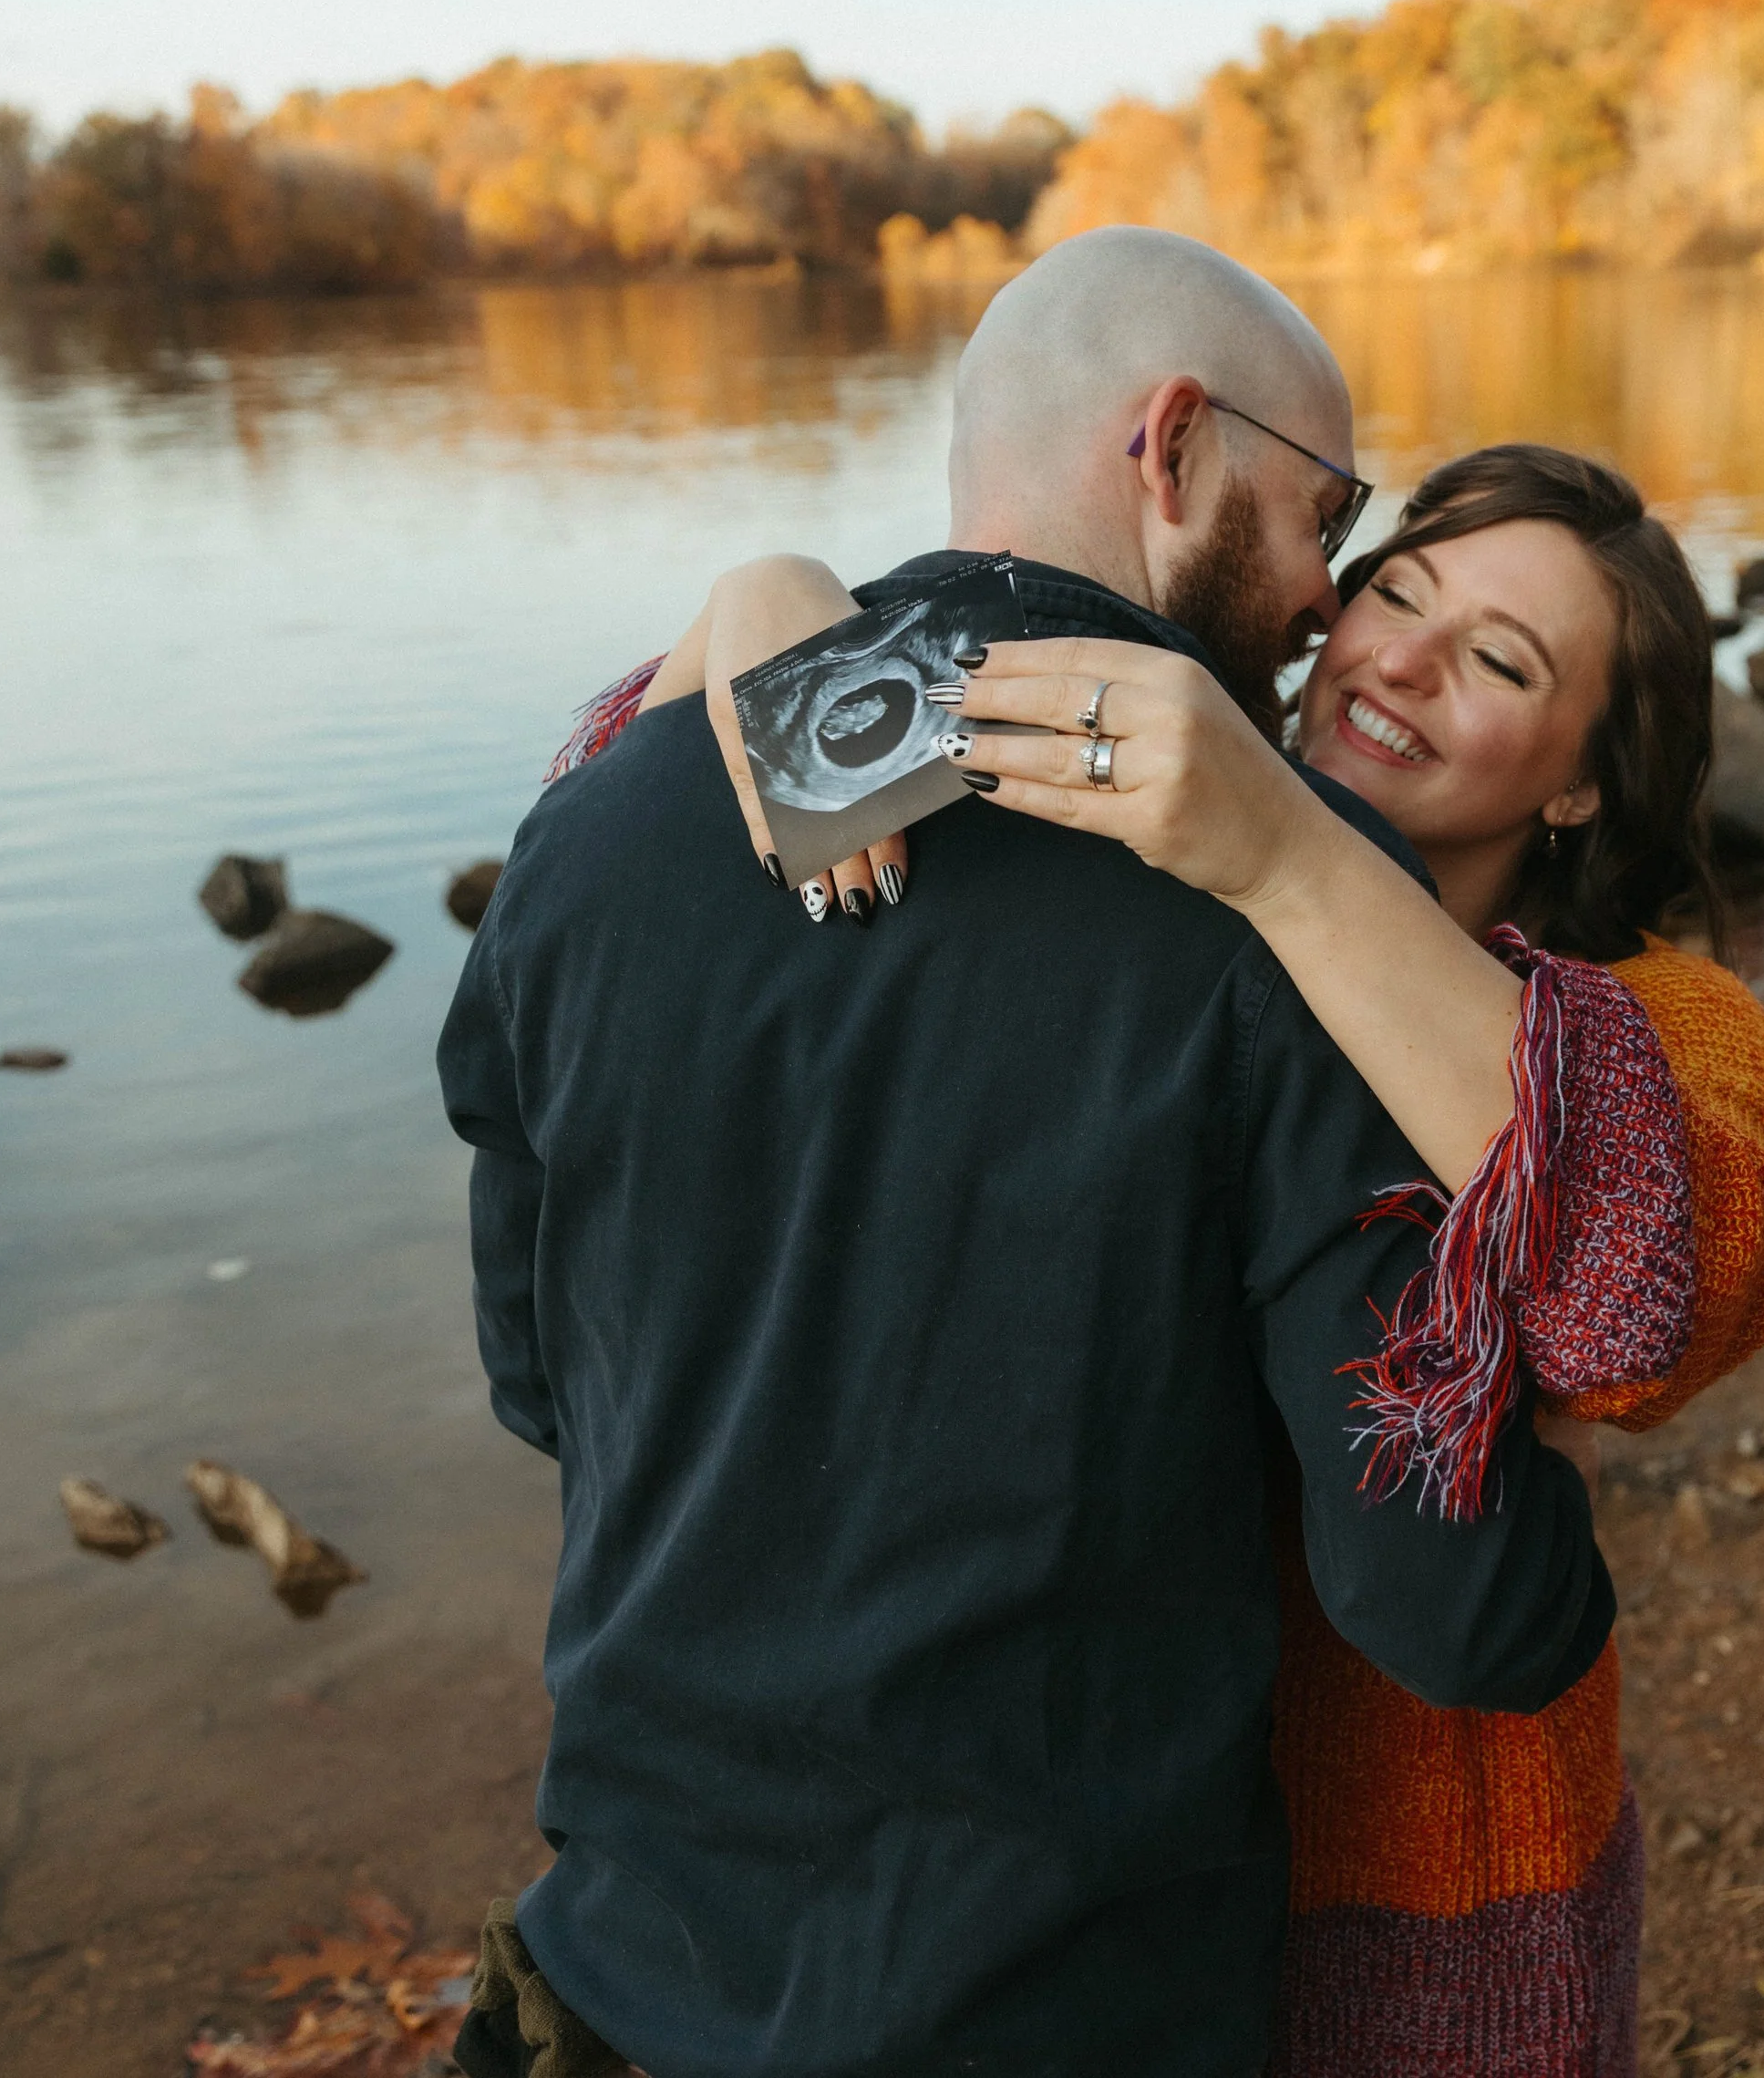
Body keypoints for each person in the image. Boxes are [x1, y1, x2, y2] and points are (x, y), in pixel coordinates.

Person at [440, 231, 1614, 2078]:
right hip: (1059, 1993)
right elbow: (1450, 1598)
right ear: (1170, 447)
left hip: (633, 1966)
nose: (1323, 595)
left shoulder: (606, 815)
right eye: (1328, 512)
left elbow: (538, 1374)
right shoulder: (1282, 893)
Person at [656, 439, 1764, 2076]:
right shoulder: (1145, 865)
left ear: (1583, 778)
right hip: (1073, 1877)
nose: (1397, 655)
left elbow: (1644, 1297)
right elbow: (626, 801)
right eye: (1395, 588)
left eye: (1497, 658)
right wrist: (761, 606)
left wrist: (1290, 851)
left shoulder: (1662, 1025)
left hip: (1419, 1897)